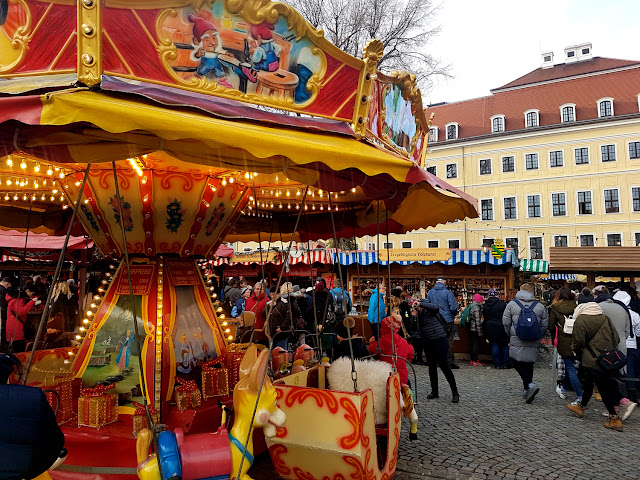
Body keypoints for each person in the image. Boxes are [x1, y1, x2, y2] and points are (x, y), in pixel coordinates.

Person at [567, 302, 624, 431]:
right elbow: (617, 339)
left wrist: (576, 350)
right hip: (607, 359)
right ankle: (580, 407)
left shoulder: (581, 320)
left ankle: (614, 418)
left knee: (603, 388)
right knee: (588, 383)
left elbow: (578, 341)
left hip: (592, 359)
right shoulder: (606, 318)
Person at [502, 283, 548, 403]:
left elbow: (506, 322)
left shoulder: (512, 304)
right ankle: (527, 389)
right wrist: (538, 335)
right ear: (532, 292)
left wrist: (511, 333)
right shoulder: (539, 306)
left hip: (517, 337)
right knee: (529, 364)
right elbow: (544, 325)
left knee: (515, 362)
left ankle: (530, 385)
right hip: (534, 339)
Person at [417, 300, 459, 403]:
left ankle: (455, 392)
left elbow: (436, 307)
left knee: (444, 365)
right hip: (428, 341)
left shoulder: (429, 310)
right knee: (431, 367)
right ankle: (434, 391)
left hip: (439, 339)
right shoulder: (418, 314)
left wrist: (420, 303)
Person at [548, 288, 582, 403]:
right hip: (577, 339)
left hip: (564, 340)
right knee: (571, 366)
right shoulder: (578, 307)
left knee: (570, 368)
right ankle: (564, 388)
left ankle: (580, 395)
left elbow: (551, 326)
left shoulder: (556, 308)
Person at [368, 315, 414, 386]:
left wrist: (371, 343)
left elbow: (373, 352)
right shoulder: (404, 342)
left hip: (386, 378)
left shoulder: (381, 342)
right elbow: (410, 356)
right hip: (402, 379)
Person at [614, 290, 640, 411]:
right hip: (632, 345)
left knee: (618, 371)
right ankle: (632, 396)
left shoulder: (616, 314)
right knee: (632, 371)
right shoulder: (635, 315)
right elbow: (639, 332)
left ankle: (622, 396)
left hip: (619, 345)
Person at [426, 276, 459, 368]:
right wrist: (454, 314)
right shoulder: (448, 293)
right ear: (444, 282)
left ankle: (436, 360)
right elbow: (453, 307)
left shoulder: (430, 292)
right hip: (447, 320)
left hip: (434, 319)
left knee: (436, 340)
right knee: (448, 340)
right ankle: (449, 362)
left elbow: (428, 305)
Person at [593, 285, 630, 356]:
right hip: (620, 348)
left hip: (601, 350)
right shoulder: (622, 308)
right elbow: (627, 331)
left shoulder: (596, 308)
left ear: (595, 296)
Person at [263, 282, 301, 350]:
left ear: (279, 294)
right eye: (271, 295)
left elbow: (288, 317)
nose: (272, 296)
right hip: (271, 333)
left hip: (281, 333)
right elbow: (262, 313)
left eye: (273, 294)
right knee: (272, 353)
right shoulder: (269, 303)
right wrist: (269, 306)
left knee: (282, 352)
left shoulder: (284, 303)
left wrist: (282, 328)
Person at [6, 288, 40, 353]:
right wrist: (32, 301)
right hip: (17, 328)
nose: (32, 295)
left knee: (14, 350)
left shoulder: (13, 298)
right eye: (31, 293)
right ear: (27, 290)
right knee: (19, 352)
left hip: (12, 328)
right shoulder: (19, 299)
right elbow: (21, 312)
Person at [482, 288, 509, 369]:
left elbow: (485, 317)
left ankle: (497, 364)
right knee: (505, 345)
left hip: (490, 326)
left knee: (494, 344)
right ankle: (505, 363)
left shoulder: (485, 305)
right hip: (501, 326)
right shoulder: (502, 304)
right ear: (497, 295)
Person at [467, 294, 484, 366]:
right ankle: (475, 360)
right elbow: (478, 321)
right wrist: (480, 332)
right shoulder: (476, 308)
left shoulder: (470, 306)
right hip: (475, 329)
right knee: (475, 345)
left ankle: (472, 360)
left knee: (472, 344)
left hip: (470, 328)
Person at [0, 276, 12, 350]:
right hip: (2, 314)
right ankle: (2, 348)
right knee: (2, 331)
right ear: (7, 284)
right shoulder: (3, 290)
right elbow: (4, 304)